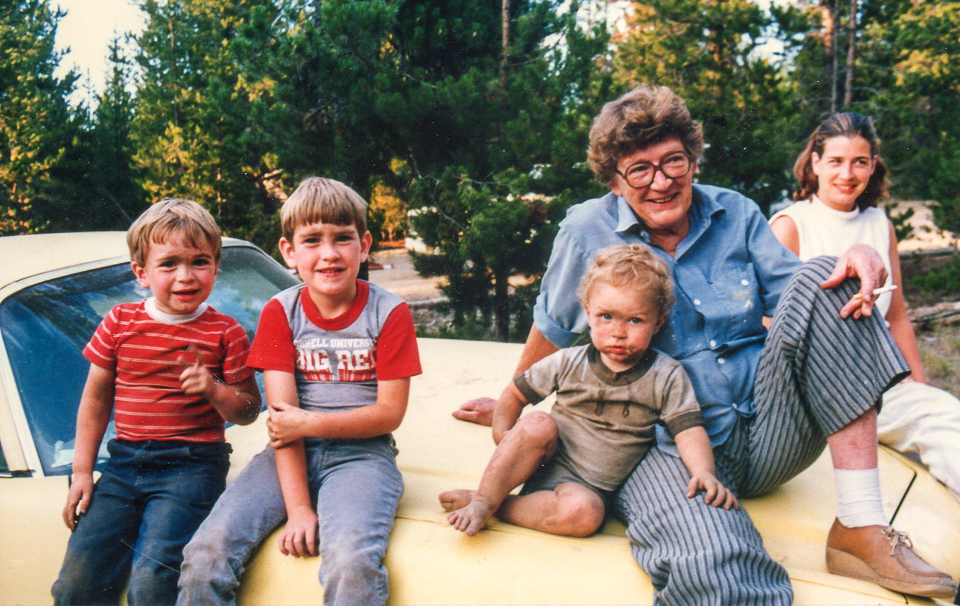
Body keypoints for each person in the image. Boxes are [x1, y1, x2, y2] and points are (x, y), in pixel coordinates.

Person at [453, 86, 957, 604]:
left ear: (693, 159)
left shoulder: (734, 212)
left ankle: (859, 525)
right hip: (665, 447)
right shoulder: (587, 229)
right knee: (715, 568)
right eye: (640, 170)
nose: (662, 181)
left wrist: (854, 256)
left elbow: (806, 301)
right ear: (614, 180)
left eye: (674, 161)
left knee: (832, 275)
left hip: (772, 427)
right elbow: (554, 327)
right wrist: (515, 400)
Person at [177, 177, 422, 606]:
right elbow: (282, 420)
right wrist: (299, 509)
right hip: (285, 455)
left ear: (364, 245)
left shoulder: (390, 312)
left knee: (351, 563)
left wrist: (309, 423)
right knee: (205, 553)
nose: (329, 254)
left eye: (342, 239)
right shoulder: (280, 312)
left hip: (362, 457)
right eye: (312, 240)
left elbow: (388, 413)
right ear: (289, 252)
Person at [441, 244, 737, 538]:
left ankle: (494, 505)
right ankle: (485, 499)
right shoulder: (569, 361)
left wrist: (703, 472)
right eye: (606, 316)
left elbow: (689, 431)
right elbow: (515, 394)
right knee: (537, 423)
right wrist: (503, 437)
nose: (618, 332)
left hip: (583, 490)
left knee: (586, 515)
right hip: (546, 458)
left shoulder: (666, 375)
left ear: (658, 322)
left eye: (635, 320)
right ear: (589, 313)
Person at [52, 199, 261, 606]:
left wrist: (215, 389)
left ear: (217, 267)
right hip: (124, 463)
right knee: (75, 583)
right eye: (168, 264)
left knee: (152, 582)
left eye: (199, 261)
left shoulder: (226, 332)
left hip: (192, 466)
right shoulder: (119, 322)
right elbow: (95, 399)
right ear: (141, 273)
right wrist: (81, 472)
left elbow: (249, 409)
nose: (185, 276)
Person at [770, 112, 960, 502]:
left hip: (882, 382)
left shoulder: (879, 224)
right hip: (816, 385)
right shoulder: (792, 224)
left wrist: (917, 385)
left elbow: (896, 315)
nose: (848, 173)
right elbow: (767, 320)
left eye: (860, 161)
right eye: (836, 161)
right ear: (815, 163)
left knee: (942, 416)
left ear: (873, 166)